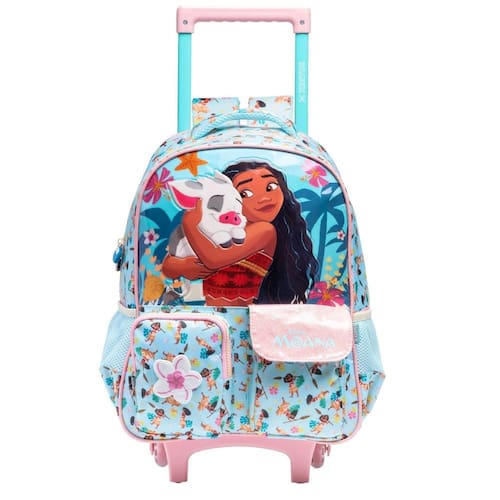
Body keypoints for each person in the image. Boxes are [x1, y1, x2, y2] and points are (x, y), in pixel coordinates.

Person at [162, 161, 318, 305]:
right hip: (211, 317)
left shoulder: (265, 230)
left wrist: (190, 223)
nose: (264, 198)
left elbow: (214, 259)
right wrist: (183, 266)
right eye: (245, 193)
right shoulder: (218, 229)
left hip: (242, 320)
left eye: (271, 187)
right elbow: (167, 266)